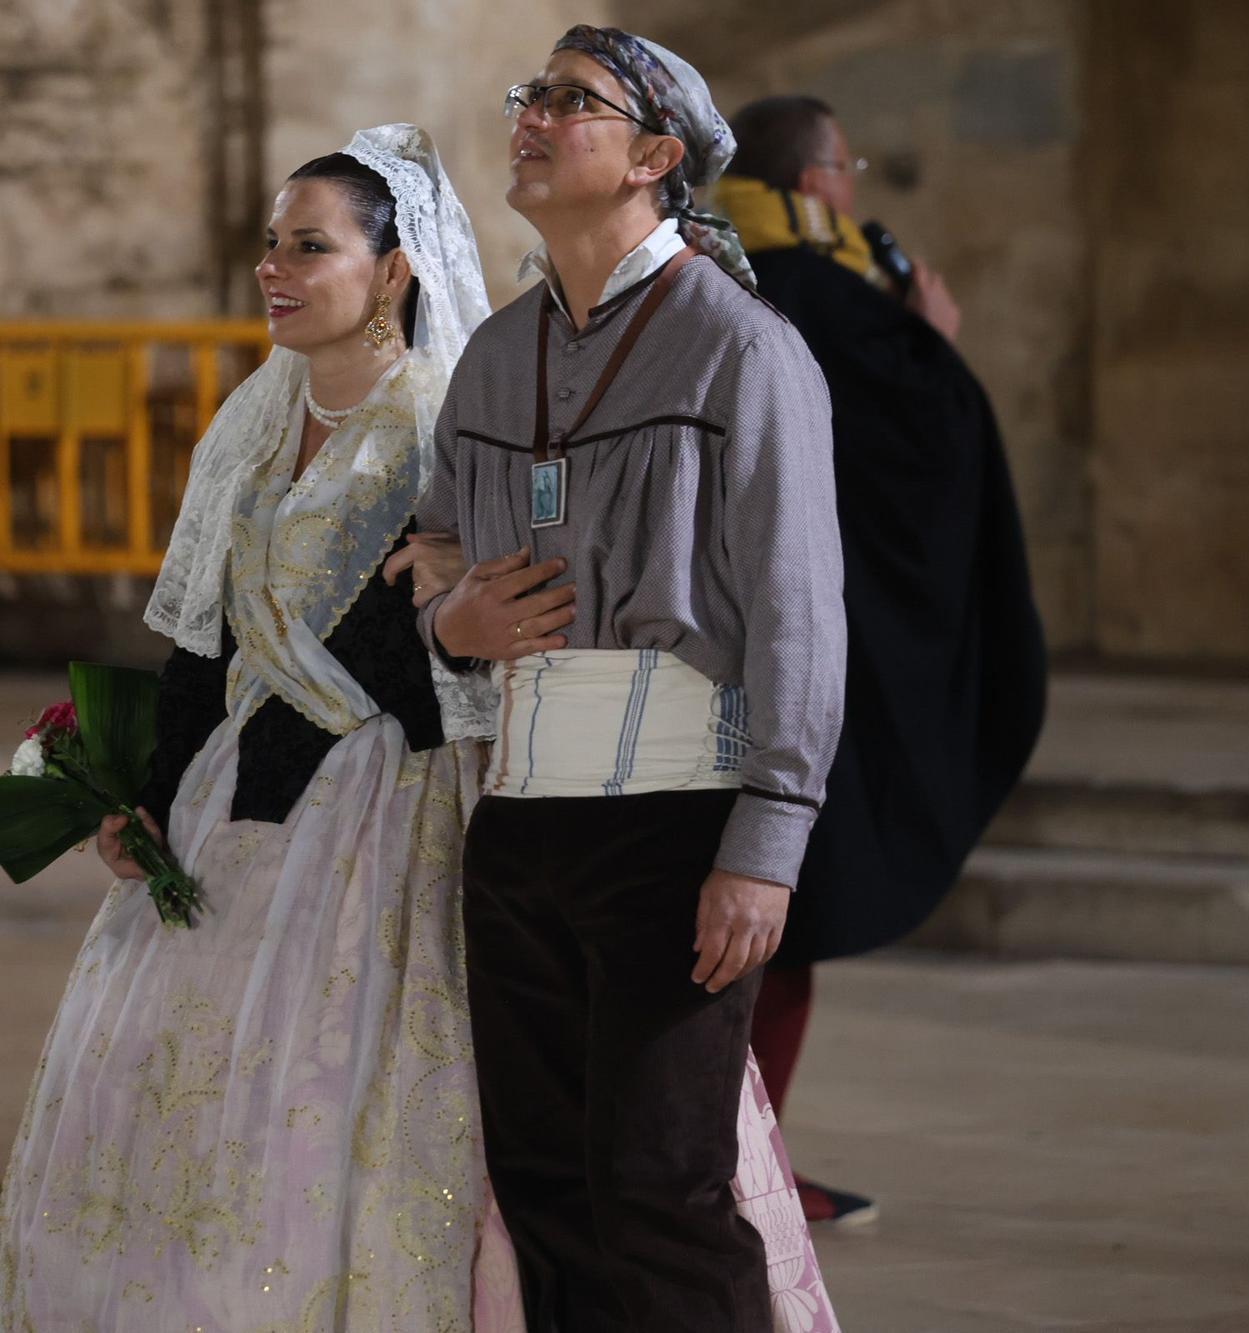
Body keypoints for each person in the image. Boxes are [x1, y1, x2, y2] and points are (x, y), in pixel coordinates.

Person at [0, 125, 836, 1332]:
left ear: (393, 270)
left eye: (310, 246)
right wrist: (138, 794)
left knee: (511, 1146)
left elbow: (496, 627)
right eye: (269, 246)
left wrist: (438, 632)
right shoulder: (247, 420)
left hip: (403, 802)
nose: (274, 270)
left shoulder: (449, 406)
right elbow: (208, 640)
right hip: (244, 804)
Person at [415, 28, 846, 1333]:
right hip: (521, 820)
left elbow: (800, 614)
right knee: (544, 1189)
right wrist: (451, 624)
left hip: (675, 821)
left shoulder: (740, 349)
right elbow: (430, 552)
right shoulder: (496, 354)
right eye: (529, 97)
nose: (533, 118)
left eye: (571, 102)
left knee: (660, 1190)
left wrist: (766, 843)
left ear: (658, 156)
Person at [711, 96, 1047, 1226]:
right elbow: (929, 463)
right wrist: (932, 346)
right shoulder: (830, 299)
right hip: (797, 652)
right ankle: (735, 1171)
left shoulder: (700, 281)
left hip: (694, 645)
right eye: (842, 170)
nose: (850, 191)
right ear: (816, 183)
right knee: (770, 924)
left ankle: (734, 1164)